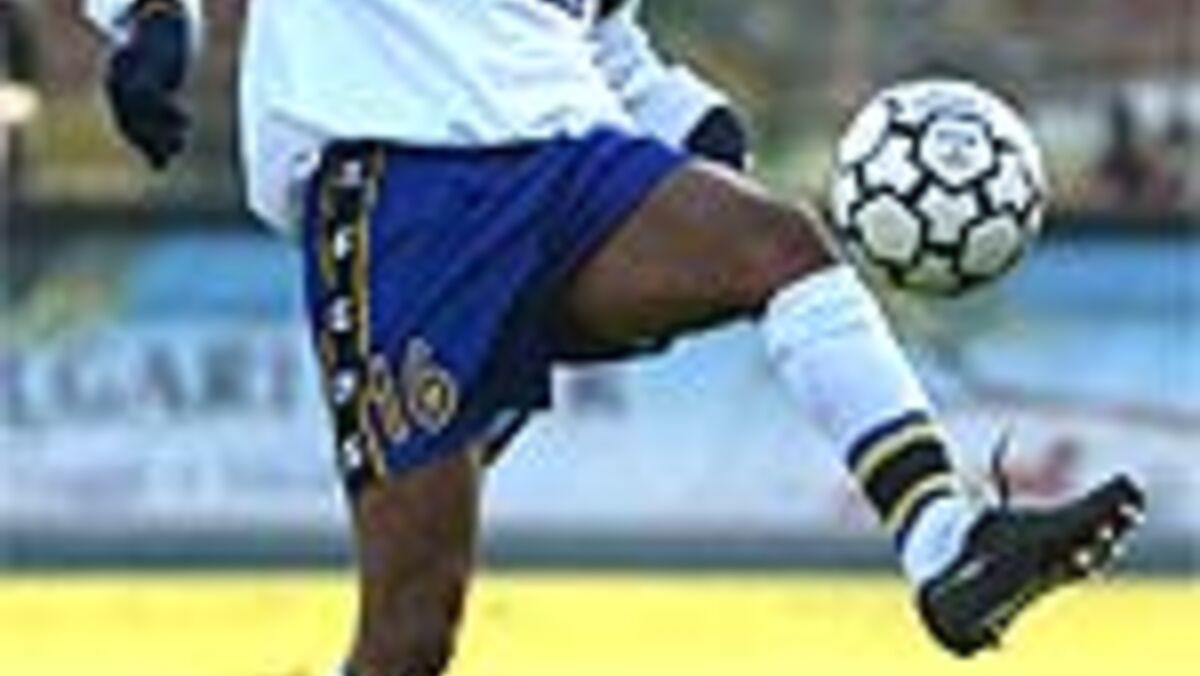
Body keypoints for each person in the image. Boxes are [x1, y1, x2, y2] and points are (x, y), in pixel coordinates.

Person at [81, 0, 1144, 673]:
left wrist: (696, 131)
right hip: (399, 187)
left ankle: (946, 542)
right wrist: (147, 19)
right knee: (409, 634)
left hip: (565, 157)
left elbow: (605, 41)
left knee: (780, 248)